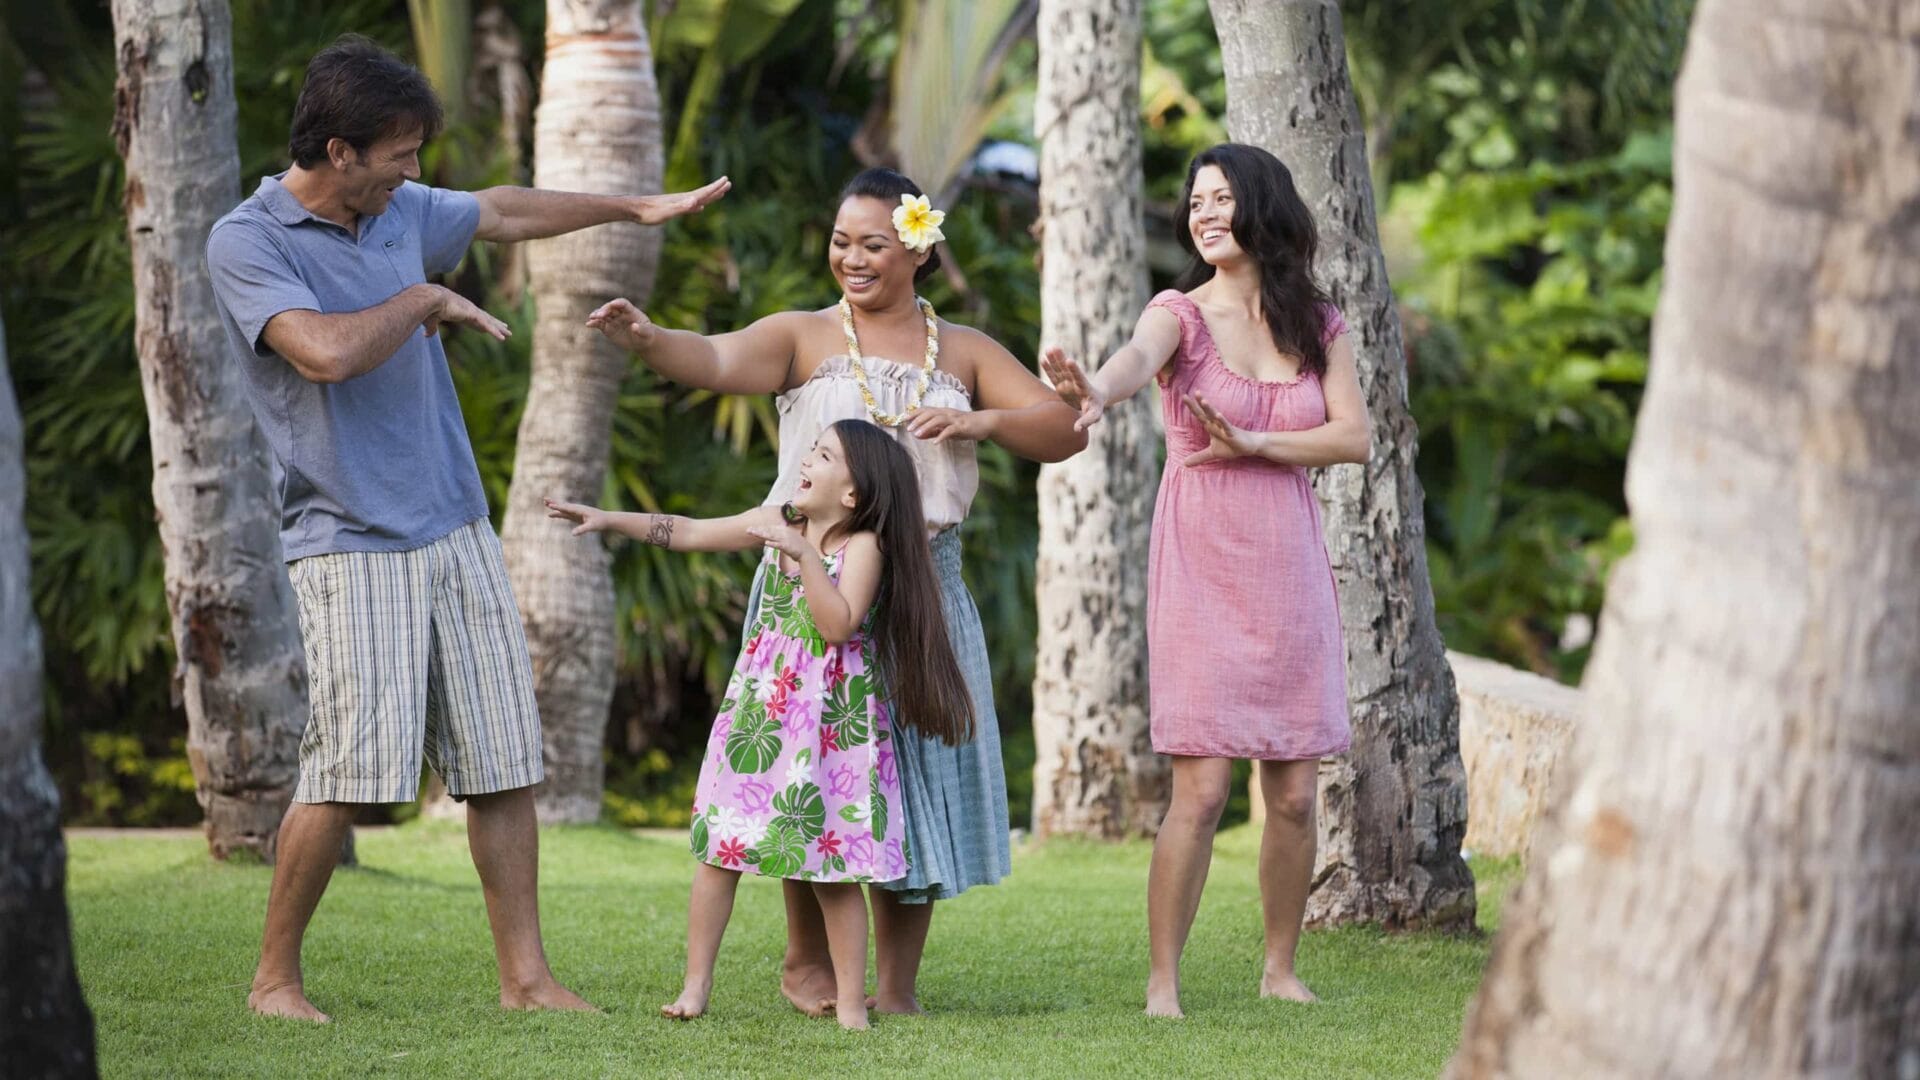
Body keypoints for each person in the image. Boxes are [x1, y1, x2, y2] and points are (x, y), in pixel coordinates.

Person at [203, 34, 729, 1023]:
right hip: (349, 536)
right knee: (350, 769)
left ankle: (526, 981)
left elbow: (504, 211)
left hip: (455, 524)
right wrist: (424, 297)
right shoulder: (249, 241)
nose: (415, 174)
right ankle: (274, 979)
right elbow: (319, 354)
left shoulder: (398, 209)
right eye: (398, 154)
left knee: (501, 760)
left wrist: (633, 206)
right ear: (336, 149)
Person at [585, 167, 1085, 1014]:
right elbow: (710, 359)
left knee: (910, 780)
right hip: (807, 592)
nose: (851, 258)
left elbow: (1061, 431)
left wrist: (982, 421)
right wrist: (646, 339)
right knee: (808, 772)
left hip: (924, 594)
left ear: (918, 249)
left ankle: (895, 988)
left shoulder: (960, 349)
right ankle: (806, 962)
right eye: (841, 240)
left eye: (873, 244)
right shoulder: (802, 336)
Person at [1040, 143, 1371, 1019]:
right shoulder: (1178, 313)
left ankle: (1280, 967)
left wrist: (1259, 443)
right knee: (1203, 790)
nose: (1204, 213)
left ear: (1261, 206)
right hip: (1201, 559)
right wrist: (1098, 392)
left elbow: (1353, 438)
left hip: (1289, 564)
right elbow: (1133, 357)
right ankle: (1162, 985)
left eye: (1221, 198)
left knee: (1295, 794)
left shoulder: (1318, 323)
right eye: (1195, 202)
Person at [546, 419, 972, 1030]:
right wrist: (611, 520)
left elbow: (837, 625)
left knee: (831, 867)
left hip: (831, 728)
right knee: (719, 851)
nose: (807, 459)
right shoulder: (781, 521)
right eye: (814, 448)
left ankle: (852, 1003)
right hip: (761, 714)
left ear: (852, 494)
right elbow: (690, 532)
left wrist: (804, 558)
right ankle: (695, 987)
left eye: (824, 455)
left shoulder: (866, 547)